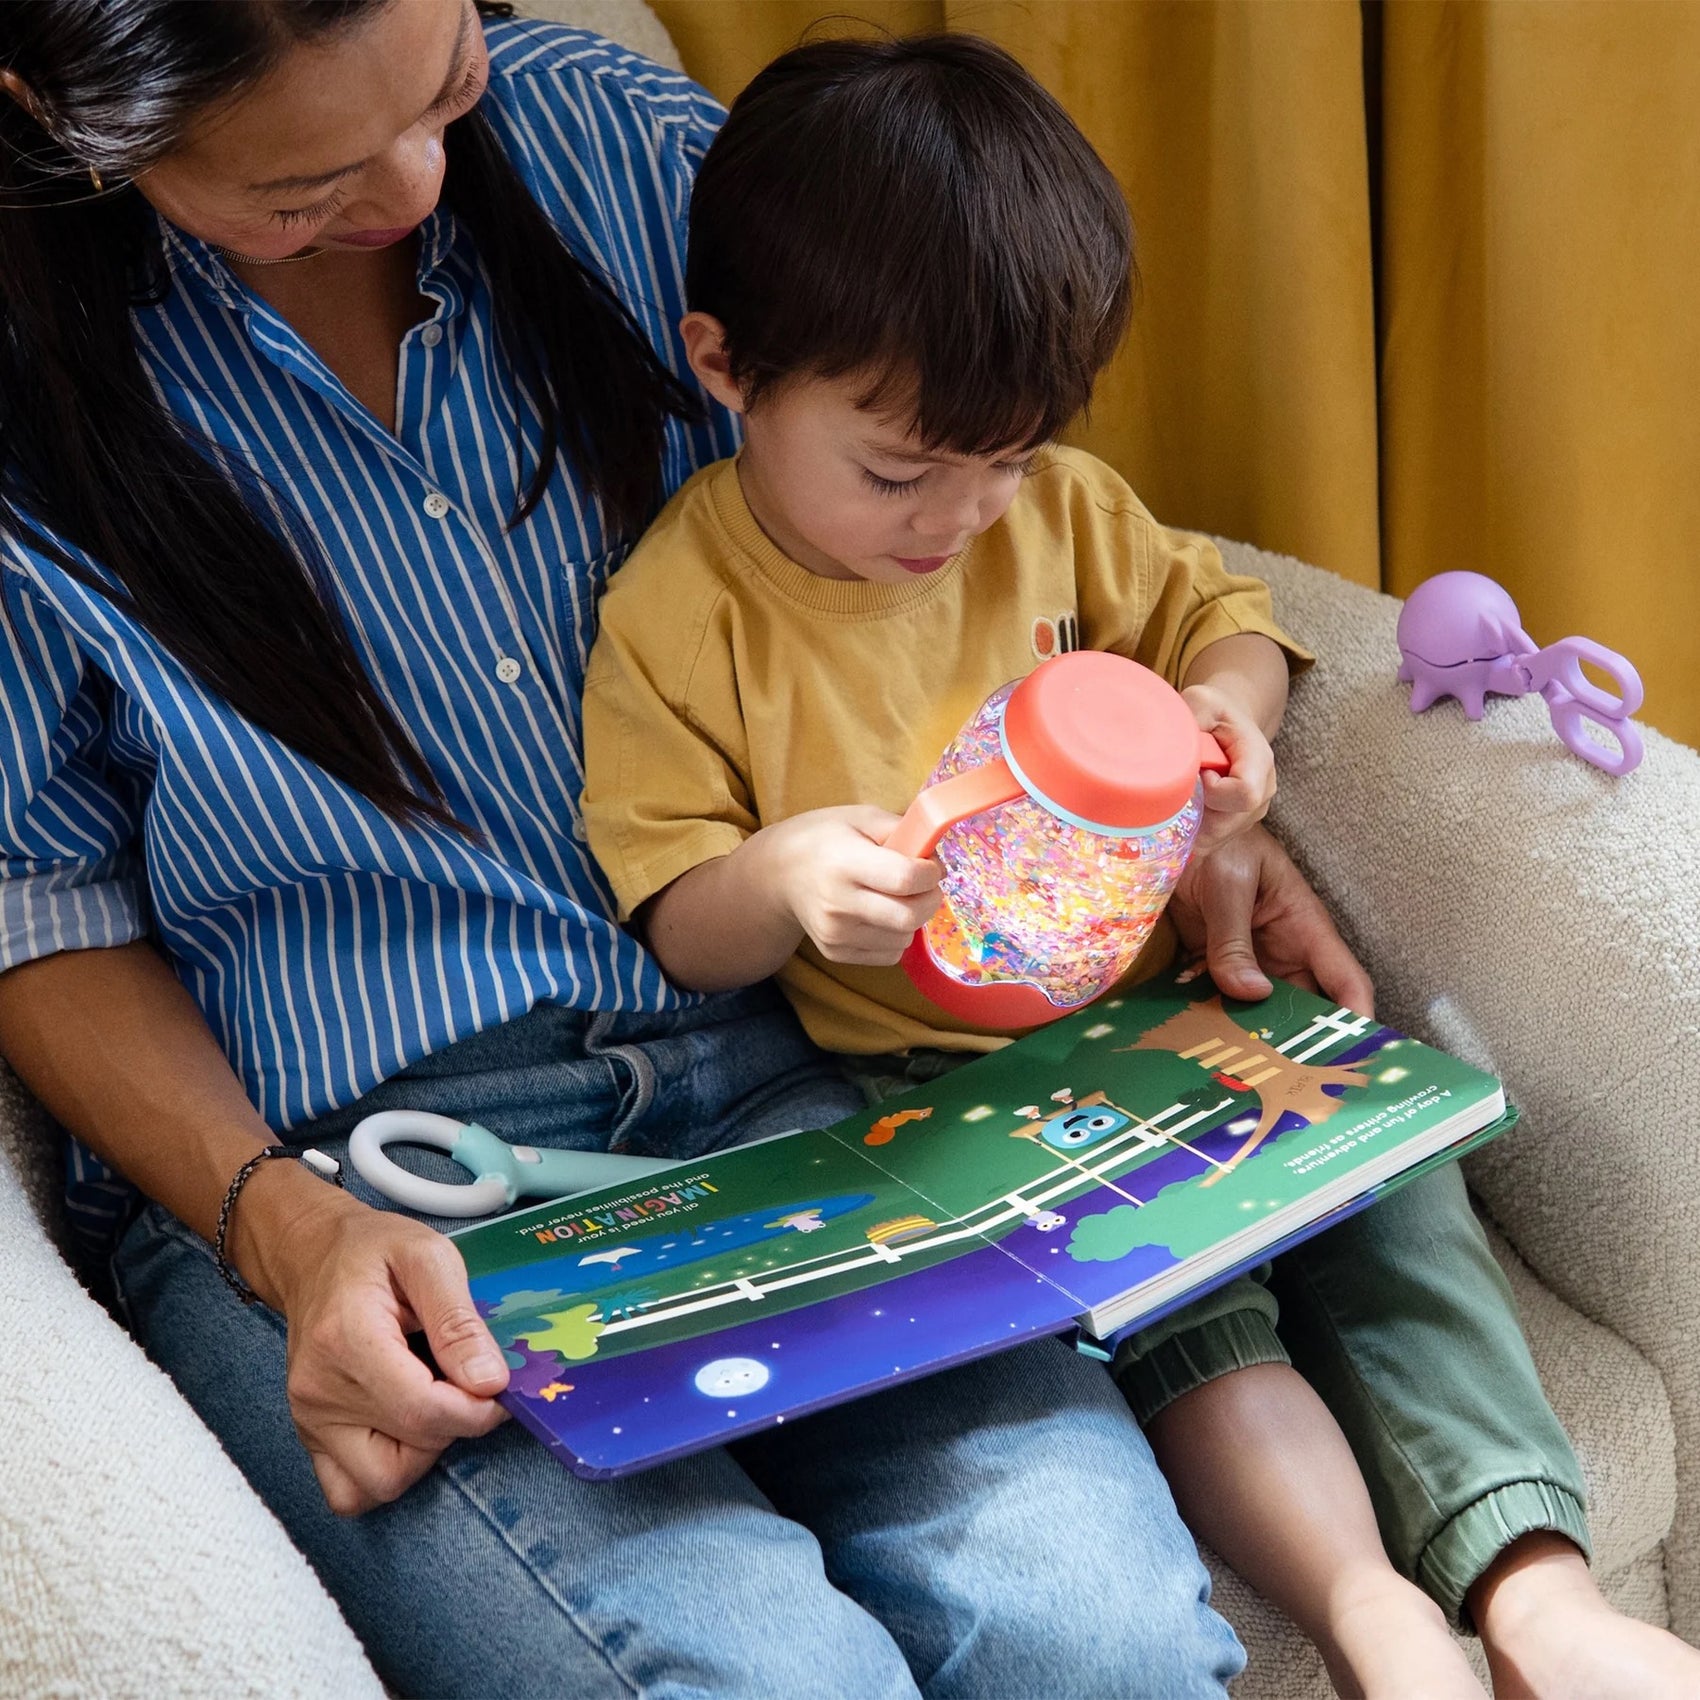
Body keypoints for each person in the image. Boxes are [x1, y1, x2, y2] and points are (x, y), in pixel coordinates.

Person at [0, 4, 1254, 1697]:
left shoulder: (631, 147)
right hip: (367, 1167)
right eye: (300, 186)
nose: (420, 179)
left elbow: (960, 496)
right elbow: (40, 901)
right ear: (66, 112)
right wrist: (286, 1235)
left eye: (446, 86)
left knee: (1099, 1638)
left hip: (794, 1084)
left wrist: (1168, 785)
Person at [579, 33, 1700, 1700]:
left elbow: (1223, 626)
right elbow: (680, 921)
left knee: (1398, 1204)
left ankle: (1539, 1596)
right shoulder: (683, 610)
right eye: (896, 471)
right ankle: (1378, 1620)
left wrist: (1224, 738)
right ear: (724, 366)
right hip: (960, 1089)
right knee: (1184, 1322)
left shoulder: (1066, 518)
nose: (957, 518)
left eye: (1006, 461)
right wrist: (791, 879)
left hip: (1189, 1007)